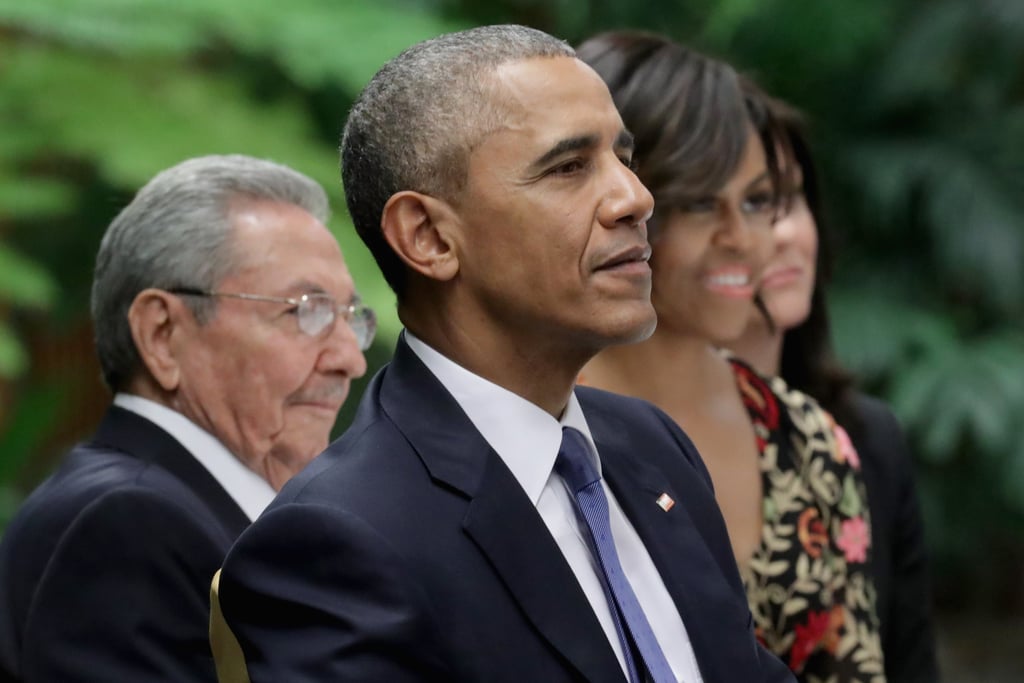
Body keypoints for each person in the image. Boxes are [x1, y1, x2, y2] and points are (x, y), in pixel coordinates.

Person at [210, 24, 795, 683]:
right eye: (570, 167)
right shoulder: (336, 540)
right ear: (428, 236)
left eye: (623, 158)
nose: (636, 196)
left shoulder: (650, 447)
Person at [575, 31, 886, 680]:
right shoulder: (535, 429)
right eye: (697, 202)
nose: (744, 239)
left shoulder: (808, 439)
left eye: (756, 201)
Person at [0, 154, 373, 682]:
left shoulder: (188, 512)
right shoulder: (126, 523)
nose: (350, 359)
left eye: (351, 319)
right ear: (162, 334)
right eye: (305, 310)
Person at [727, 86, 941, 682]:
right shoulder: (625, 440)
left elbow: (910, 662)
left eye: (789, 200)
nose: (783, 235)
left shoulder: (864, 435)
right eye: (750, 205)